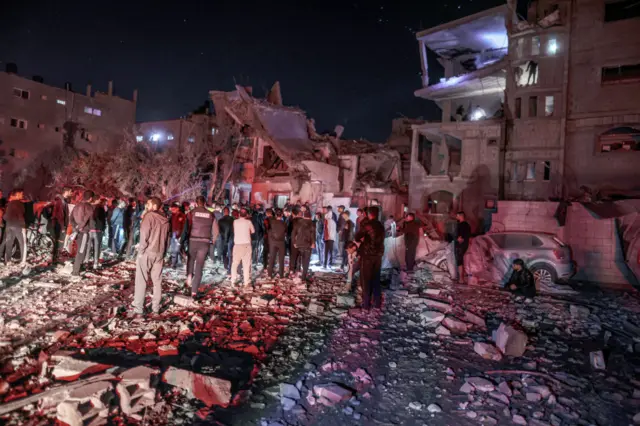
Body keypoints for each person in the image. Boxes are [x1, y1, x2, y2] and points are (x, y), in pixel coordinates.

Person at [132, 197, 170, 316]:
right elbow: (167, 239)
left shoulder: (149, 216)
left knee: (141, 280)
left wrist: (141, 251)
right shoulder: (166, 219)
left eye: (148, 204)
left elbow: (144, 235)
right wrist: (163, 253)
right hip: (159, 253)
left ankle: (138, 308)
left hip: (148, 252)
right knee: (157, 281)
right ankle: (155, 308)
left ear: (154, 206)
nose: (146, 206)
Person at [186, 196, 219, 298]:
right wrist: (212, 241)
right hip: (204, 242)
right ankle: (194, 291)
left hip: (193, 239)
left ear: (196, 203)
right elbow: (216, 231)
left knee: (191, 259)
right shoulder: (211, 214)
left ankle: (189, 275)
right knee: (199, 266)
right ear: (205, 203)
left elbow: (187, 227)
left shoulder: (191, 213)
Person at [354, 206, 385, 310]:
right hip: (378, 255)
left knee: (366, 279)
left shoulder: (368, 225)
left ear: (369, 214)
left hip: (368, 255)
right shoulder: (381, 225)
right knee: (376, 279)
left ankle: (366, 305)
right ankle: (377, 303)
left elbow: (357, 236)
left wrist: (363, 239)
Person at [70, 190, 95, 276]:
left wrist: (75, 227)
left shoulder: (76, 205)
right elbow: (89, 220)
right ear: (91, 198)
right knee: (81, 251)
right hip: (83, 231)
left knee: (80, 250)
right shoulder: (89, 207)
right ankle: (75, 272)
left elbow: (71, 218)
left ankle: (78, 268)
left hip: (77, 231)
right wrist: (90, 228)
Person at [0, 189, 27, 265]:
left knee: (9, 243)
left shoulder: (9, 204)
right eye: (21, 194)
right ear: (17, 194)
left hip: (9, 225)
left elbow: (5, 216)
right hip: (18, 226)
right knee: (22, 243)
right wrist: (23, 226)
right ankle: (23, 261)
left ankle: (8, 261)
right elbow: (21, 216)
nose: (22, 195)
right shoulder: (19, 204)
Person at [231, 208, 255, 287]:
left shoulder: (235, 222)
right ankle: (246, 282)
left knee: (235, 264)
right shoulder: (248, 222)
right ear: (247, 215)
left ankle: (233, 281)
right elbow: (253, 231)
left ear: (239, 214)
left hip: (237, 245)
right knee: (246, 264)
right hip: (246, 245)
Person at [291, 210, 315, 281]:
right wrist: (313, 243)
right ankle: (303, 276)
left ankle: (298, 271)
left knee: (299, 257)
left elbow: (293, 234)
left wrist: (294, 242)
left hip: (299, 244)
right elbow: (312, 234)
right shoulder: (311, 224)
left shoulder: (298, 223)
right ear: (310, 216)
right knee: (306, 261)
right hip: (307, 244)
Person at [51, 187, 73, 263]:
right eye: (70, 191)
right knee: (59, 242)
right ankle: (56, 259)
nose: (71, 193)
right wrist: (63, 227)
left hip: (60, 224)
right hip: (59, 225)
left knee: (59, 242)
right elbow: (60, 215)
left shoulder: (63, 201)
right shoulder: (61, 201)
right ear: (66, 192)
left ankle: (56, 258)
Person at [85, 197, 106, 269]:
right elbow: (102, 219)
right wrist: (103, 228)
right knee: (97, 247)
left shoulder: (89, 207)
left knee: (88, 247)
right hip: (98, 230)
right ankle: (95, 263)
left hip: (90, 229)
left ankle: (86, 261)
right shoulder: (100, 208)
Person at [267, 209, 287, 279]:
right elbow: (286, 232)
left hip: (273, 242)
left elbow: (269, 231)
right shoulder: (284, 223)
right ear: (282, 215)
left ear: (275, 215)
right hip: (281, 242)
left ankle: (269, 274)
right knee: (281, 259)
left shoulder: (272, 222)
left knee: (272, 258)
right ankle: (281, 275)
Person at [168, 203, 186, 269]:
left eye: (173, 208)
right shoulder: (172, 215)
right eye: (171, 208)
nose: (172, 209)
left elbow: (183, 226)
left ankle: (174, 264)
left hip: (178, 235)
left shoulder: (181, 215)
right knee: (175, 250)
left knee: (175, 250)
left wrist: (180, 235)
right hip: (173, 234)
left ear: (177, 208)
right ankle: (176, 263)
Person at [455, 211, 471, 284]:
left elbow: (460, 237)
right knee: (461, 261)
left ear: (460, 216)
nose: (456, 217)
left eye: (457, 215)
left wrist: (458, 239)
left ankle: (461, 279)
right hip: (464, 245)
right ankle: (462, 278)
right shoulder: (467, 225)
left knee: (459, 261)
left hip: (460, 246)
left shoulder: (462, 225)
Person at [218, 207, 234, 274]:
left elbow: (220, 231)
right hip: (231, 238)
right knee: (230, 254)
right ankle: (229, 268)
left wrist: (224, 236)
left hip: (223, 238)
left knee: (224, 253)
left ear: (223, 212)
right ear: (229, 212)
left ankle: (225, 265)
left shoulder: (220, 220)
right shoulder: (232, 219)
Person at [289, 209, 304, 274]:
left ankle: (292, 269)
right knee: (300, 255)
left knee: (293, 255)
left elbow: (289, 231)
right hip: (302, 241)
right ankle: (298, 268)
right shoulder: (304, 221)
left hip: (294, 240)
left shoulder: (293, 221)